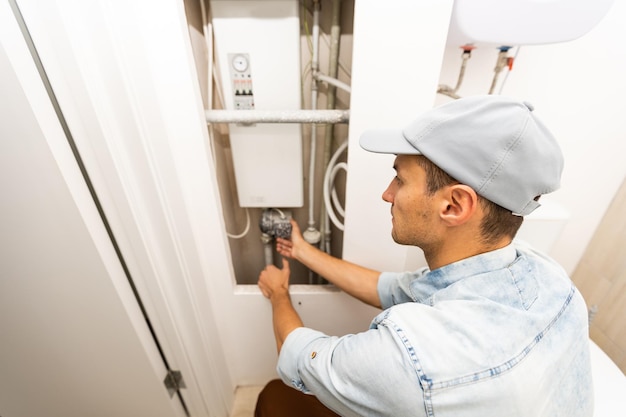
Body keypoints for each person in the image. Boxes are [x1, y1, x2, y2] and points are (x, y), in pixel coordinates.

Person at [255, 95, 593, 417]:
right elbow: (387, 288)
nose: (387, 193)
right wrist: (302, 250)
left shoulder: (416, 363)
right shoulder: (546, 275)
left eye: (400, 179)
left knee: (275, 398)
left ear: (454, 205)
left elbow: (299, 355)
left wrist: (278, 293)